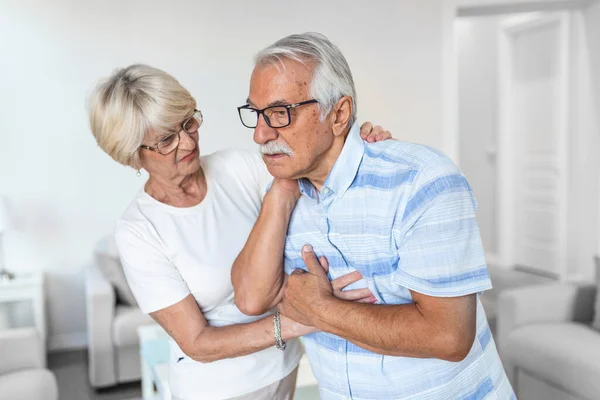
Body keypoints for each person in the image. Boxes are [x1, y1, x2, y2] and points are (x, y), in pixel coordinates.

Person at [232, 32, 516, 399]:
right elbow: (252, 299)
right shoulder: (283, 193)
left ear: (339, 114)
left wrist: (320, 309)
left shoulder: (420, 180)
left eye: (279, 113)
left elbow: (449, 336)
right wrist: (281, 190)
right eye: (255, 113)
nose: (260, 134)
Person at [87, 63, 390, 400]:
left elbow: (309, 188)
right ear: (132, 155)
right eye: (167, 139)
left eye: (188, 122)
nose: (187, 142)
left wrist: (358, 149)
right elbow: (197, 343)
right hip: (219, 390)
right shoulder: (138, 230)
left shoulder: (236, 167)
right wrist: (312, 318)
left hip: (287, 369)